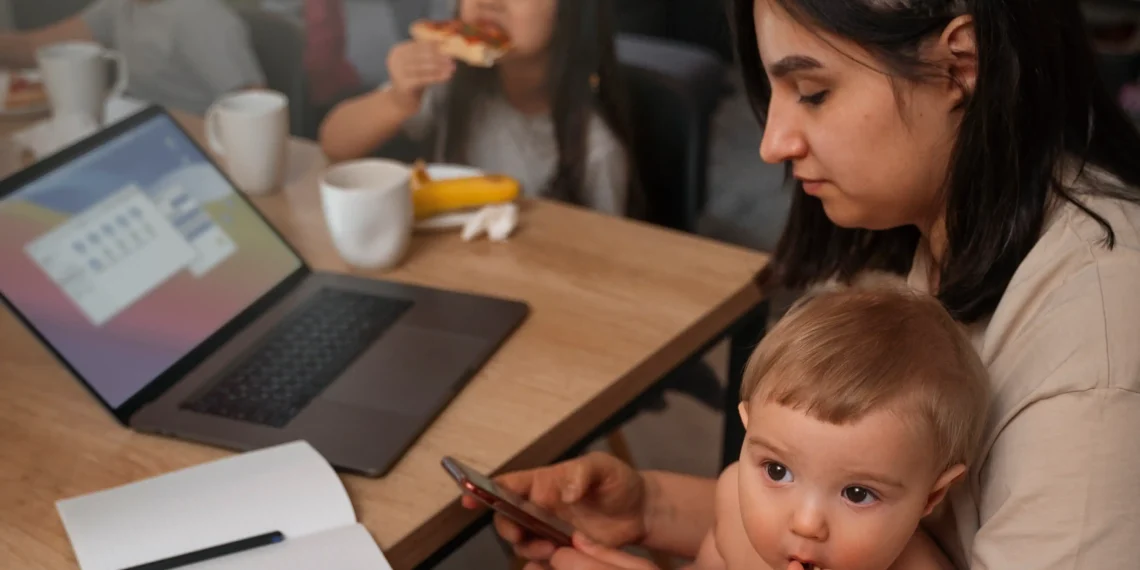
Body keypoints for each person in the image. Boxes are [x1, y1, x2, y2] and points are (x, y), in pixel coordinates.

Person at [467, 0, 1140, 568]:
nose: (772, 143)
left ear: (957, 65)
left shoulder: (1096, 339)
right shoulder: (918, 242)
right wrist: (648, 507)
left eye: (813, 93)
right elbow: (838, 513)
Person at [688, 280, 987, 570]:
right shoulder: (731, 500)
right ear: (748, 429)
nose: (806, 523)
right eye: (776, 471)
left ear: (932, 496)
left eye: (858, 493)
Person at [318, 0, 636, 217]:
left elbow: (602, 264)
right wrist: (397, 101)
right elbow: (334, 143)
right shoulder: (446, 81)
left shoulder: (596, 148)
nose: (488, 1)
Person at [0, 0, 265, 116]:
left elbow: (259, 111)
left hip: (198, 149)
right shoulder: (121, 6)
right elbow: (38, 48)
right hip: (142, 133)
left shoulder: (201, 18)